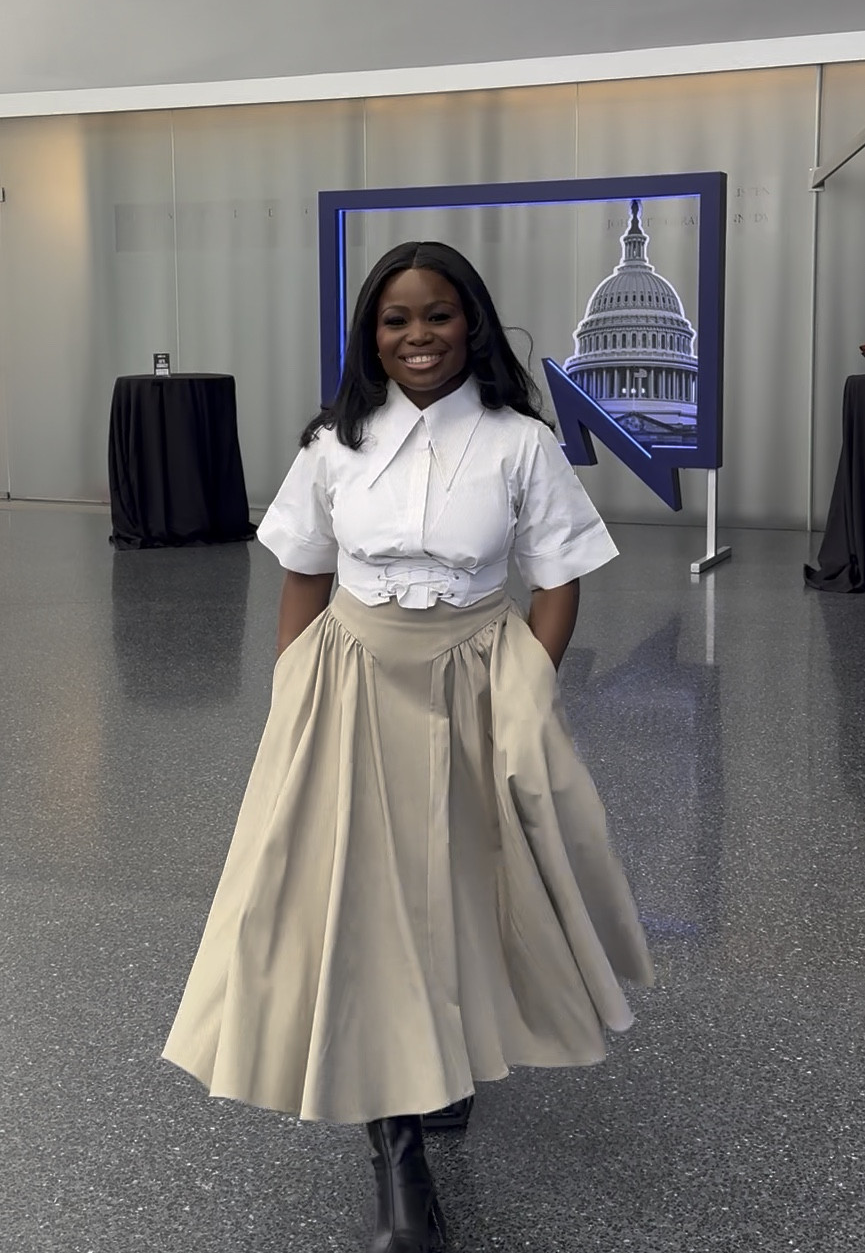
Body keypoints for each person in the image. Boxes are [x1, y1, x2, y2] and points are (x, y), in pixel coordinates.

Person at [163, 241, 654, 1252]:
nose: (417, 336)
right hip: (350, 676)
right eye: (395, 320)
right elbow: (304, 569)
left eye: (437, 315)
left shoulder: (520, 442)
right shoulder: (332, 444)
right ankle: (398, 1159)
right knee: (362, 896)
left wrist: (529, 678)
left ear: (470, 323)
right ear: (370, 335)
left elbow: (558, 574)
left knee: (462, 879)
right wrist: (293, 685)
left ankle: (447, 1046)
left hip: (474, 674)